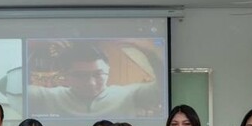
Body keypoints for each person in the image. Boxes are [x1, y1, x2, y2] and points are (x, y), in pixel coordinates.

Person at [16, 43, 161, 118]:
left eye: (98, 74)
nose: (91, 83)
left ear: (108, 70)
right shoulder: (47, 97)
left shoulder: (129, 94)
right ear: (66, 75)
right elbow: (13, 88)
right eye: (80, 76)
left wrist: (151, 53)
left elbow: (162, 90)